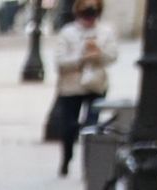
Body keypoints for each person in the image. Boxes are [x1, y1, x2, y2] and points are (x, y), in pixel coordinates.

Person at [54, 0, 118, 176]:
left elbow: (113, 56)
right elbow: (59, 61)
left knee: (92, 127)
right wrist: (81, 57)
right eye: (85, 13)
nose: (89, 18)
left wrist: (99, 54)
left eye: (93, 13)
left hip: (96, 85)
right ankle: (67, 158)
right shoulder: (68, 33)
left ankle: (89, 166)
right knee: (69, 127)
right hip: (71, 87)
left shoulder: (105, 32)